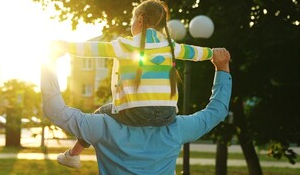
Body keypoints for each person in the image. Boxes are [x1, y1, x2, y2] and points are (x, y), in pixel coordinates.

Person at [52, 0, 214, 168]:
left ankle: (73, 155)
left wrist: (65, 46)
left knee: (100, 113)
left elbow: (93, 49)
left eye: (132, 19)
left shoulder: (126, 44)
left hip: (137, 114)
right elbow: (195, 52)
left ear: (140, 20)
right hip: (167, 114)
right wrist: (214, 53)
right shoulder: (171, 47)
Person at [41, 48, 232, 174]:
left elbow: (55, 110)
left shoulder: (103, 126)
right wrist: (222, 69)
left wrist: (49, 62)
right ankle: (72, 155)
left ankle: (72, 155)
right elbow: (216, 112)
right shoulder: (176, 128)